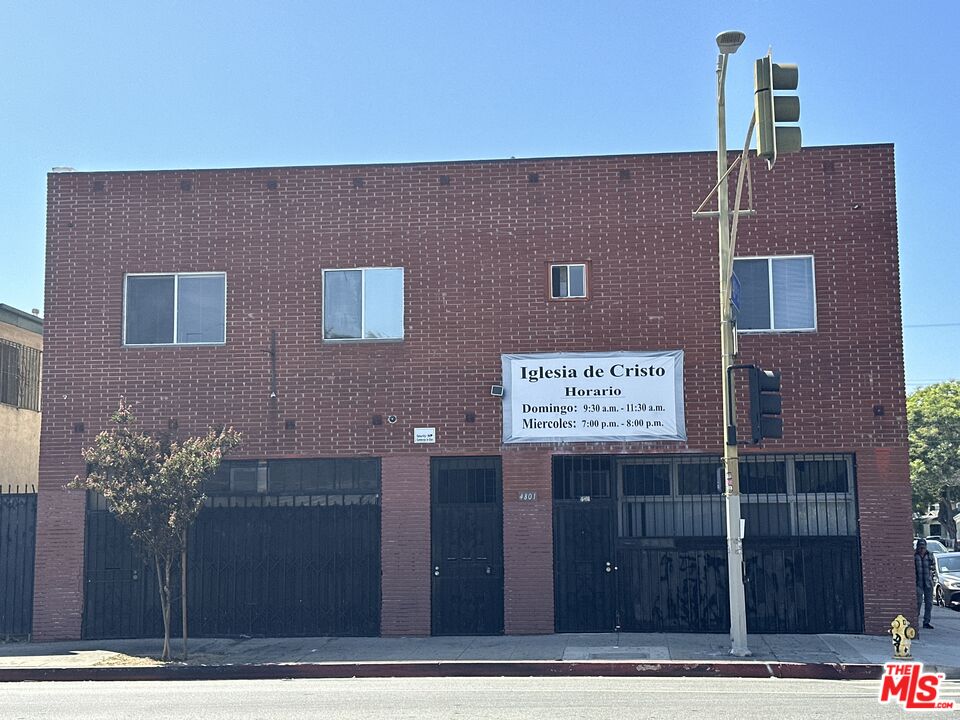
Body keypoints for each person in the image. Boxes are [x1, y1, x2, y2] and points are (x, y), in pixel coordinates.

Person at [915, 538, 936, 630]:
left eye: (923, 547)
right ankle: (915, 621)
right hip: (918, 583)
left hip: (928, 583)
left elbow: (934, 568)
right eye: (920, 547)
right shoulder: (914, 556)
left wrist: (932, 578)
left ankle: (926, 622)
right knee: (918, 602)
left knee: (929, 603)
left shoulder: (930, 555)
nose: (922, 549)